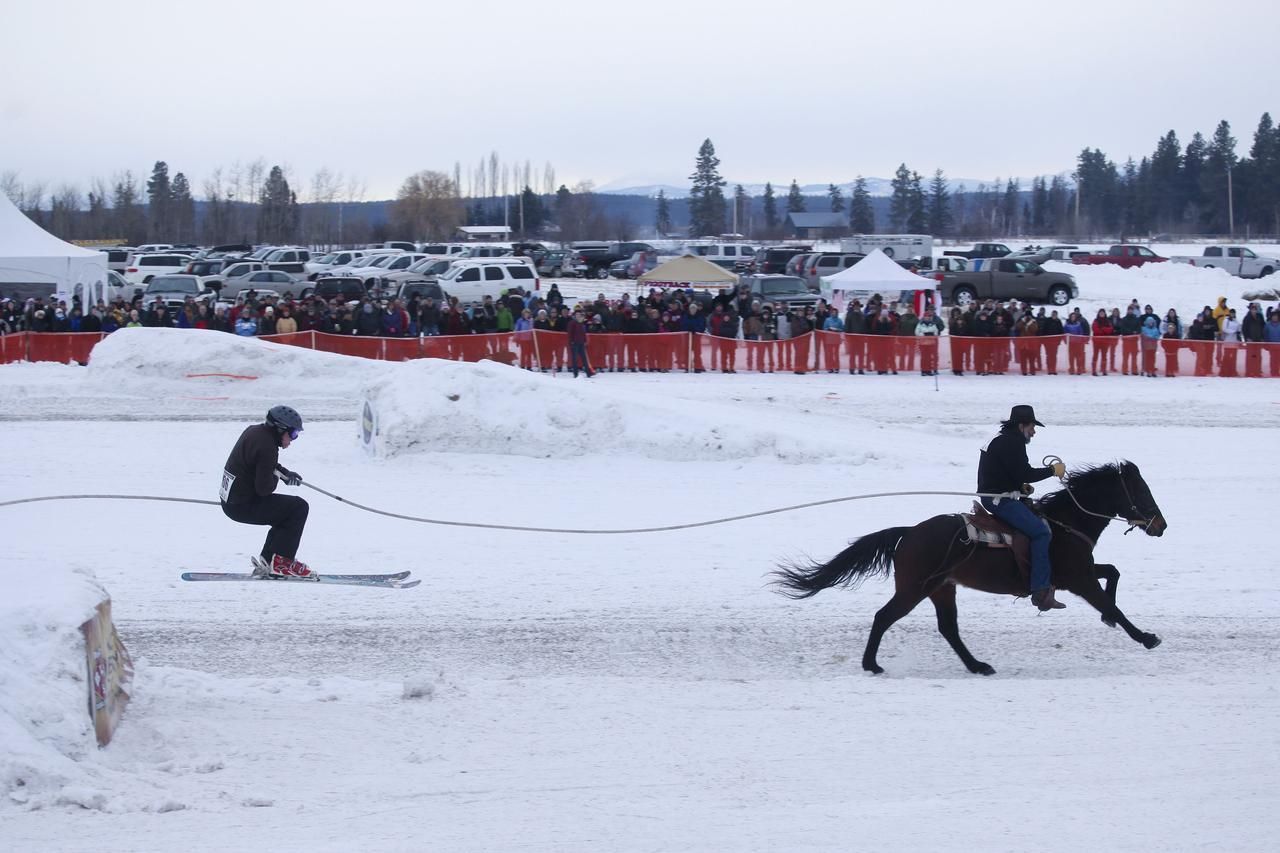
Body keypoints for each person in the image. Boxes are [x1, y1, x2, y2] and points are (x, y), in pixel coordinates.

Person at [977, 405, 1067, 611]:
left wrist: (1019, 487)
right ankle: (1040, 589)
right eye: (1032, 427)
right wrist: (1053, 470)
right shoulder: (1012, 442)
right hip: (999, 500)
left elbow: (1008, 472)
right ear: (1021, 425)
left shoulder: (1002, 438)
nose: (1034, 432)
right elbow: (1025, 472)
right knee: (1041, 532)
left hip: (1000, 493)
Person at [219, 405, 313, 579]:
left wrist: (284, 473)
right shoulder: (267, 447)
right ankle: (282, 563)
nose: (293, 440)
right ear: (280, 429)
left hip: (231, 501)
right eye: (293, 434)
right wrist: (277, 478)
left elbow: (263, 464)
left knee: (284, 510)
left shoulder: (255, 432)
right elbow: (264, 490)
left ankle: (269, 560)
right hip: (241, 505)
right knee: (298, 508)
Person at [566, 309, 594, 378]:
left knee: (584, 358)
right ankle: (575, 373)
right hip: (574, 343)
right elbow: (570, 333)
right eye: (577, 315)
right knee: (575, 359)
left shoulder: (581, 323)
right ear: (574, 316)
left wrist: (584, 340)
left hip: (581, 343)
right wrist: (571, 342)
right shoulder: (572, 323)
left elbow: (583, 333)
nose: (578, 316)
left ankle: (588, 372)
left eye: (579, 315)